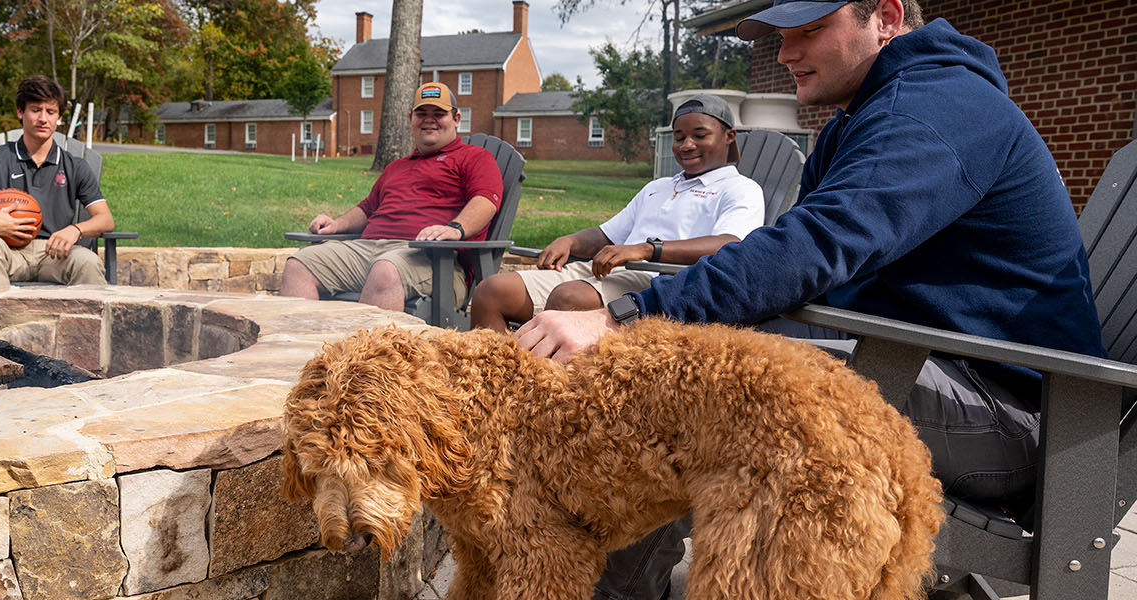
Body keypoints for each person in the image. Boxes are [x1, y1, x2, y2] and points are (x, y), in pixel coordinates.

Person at [515, 1, 1108, 598]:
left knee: (677, 381)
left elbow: (815, 246)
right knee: (678, 372)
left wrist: (629, 317)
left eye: (811, 30)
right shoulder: (870, 114)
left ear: (887, 16)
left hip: (1019, 417)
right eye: (781, 36)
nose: (785, 53)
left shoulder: (938, 107)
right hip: (915, 364)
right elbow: (803, 262)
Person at [468, 94, 763, 331]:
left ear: (729, 136)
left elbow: (730, 244)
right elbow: (607, 234)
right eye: (679, 136)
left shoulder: (740, 189)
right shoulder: (657, 187)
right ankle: (494, 385)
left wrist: (648, 250)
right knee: (490, 291)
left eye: (700, 135)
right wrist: (570, 241)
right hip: (608, 273)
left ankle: (556, 395)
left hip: (664, 283)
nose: (687, 145)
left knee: (569, 298)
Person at [280, 82, 504, 311]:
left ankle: (369, 348)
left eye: (439, 114)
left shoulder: (475, 157)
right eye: (421, 113)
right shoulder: (397, 167)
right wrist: (337, 224)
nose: (429, 119)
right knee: (298, 265)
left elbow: (486, 200)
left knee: (385, 270)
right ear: (411, 119)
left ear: (456, 119)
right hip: (368, 249)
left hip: (434, 259)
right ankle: (302, 345)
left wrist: (455, 228)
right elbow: (368, 208)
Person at [0, 75, 113, 286]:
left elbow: (106, 220)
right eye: (35, 110)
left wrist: (76, 230)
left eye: (50, 112)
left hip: (55, 252)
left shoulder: (75, 166)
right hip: (6, 248)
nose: (43, 118)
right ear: (20, 112)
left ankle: (84, 320)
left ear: (59, 117)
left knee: (87, 261)